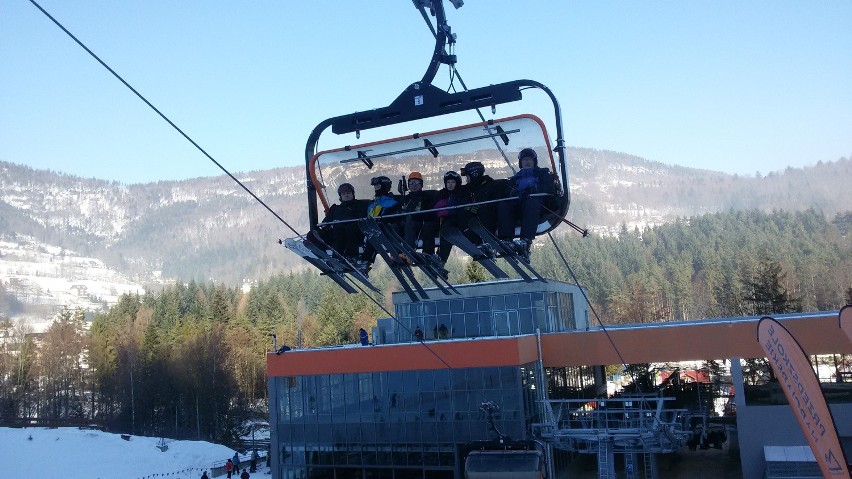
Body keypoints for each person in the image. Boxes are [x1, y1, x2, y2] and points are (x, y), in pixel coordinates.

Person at [497, 148, 556, 257]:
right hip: (519, 207)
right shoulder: (515, 179)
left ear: (534, 161)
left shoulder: (542, 174)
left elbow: (549, 188)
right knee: (504, 205)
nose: (527, 162)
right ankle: (506, 239)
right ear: (521, 163)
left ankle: (525, 240)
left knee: (531, 202)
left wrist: (533, 190)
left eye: (529, 159)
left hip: (538, 206)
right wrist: (513, 193)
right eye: (524, 160)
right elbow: (508, 191)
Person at [316, 183, 369, 259]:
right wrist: (320, 229)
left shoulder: (361, 205)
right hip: (336, 234)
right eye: (344, 194)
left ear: (352, 194)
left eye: (348, 193)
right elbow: (325, 223)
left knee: (343, 228)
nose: (346, 195)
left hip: (353, 233)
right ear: (340, 196)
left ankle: (347, 256)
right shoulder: (335, 209)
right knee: (314, 233)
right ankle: (321, 254)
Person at [460, 161, 508, 243]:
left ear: (474, 175)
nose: (466, 180)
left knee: (485, 211)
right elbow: (460, 198)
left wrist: (479, 207)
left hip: (490, 215)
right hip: (476, 216)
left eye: (468, 177)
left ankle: (490, 241)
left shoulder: (491, 185)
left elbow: (496, 202)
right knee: (462, 214)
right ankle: (476, 243)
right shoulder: (468, 189)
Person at [399, 171, 438, 255]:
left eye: (417, 182)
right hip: (406, 223)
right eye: (411, 182)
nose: (414, 185)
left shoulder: (427, 197)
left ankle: (411, 251)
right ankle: (397, 253)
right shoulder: (405, 199)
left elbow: (430, 211)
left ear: (421, 184)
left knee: (423, 226)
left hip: (420, 221)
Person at [433, 171, 467, 262]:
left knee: (446, 231)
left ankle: (441, 258)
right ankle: (437, 258)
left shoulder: (462, 192)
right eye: (448, 182)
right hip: (445, 220)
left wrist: (447, 211)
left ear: (457, 183)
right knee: (443, 232)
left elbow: (460, 207)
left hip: (458, 220)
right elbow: (435, 208)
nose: (450, 185)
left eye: (453, 182)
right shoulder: (442, 194)